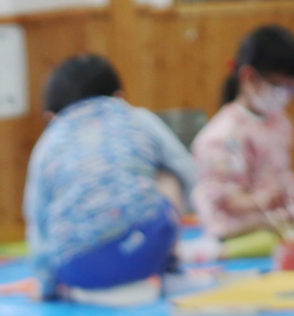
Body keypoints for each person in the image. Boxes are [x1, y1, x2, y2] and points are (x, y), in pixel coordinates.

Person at [24, 54, 200, 302]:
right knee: (167, 175)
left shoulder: (48, 143)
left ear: (51, 116)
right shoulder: (135, 117)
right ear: (119, 96)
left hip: (79, 269)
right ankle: (170, 264)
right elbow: (186, 170)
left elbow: (37, 219)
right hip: (144, 249)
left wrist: (46, 286)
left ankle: (76, 286)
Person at [194, 25, 294, 241]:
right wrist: (260, 201)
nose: (284, 95)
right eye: (278, 86)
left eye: (291, 88)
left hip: (274, 224)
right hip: (237, 232)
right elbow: (222, 199)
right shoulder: (220, 137)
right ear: (249, 77)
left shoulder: (280, 122)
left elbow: (282, 175)